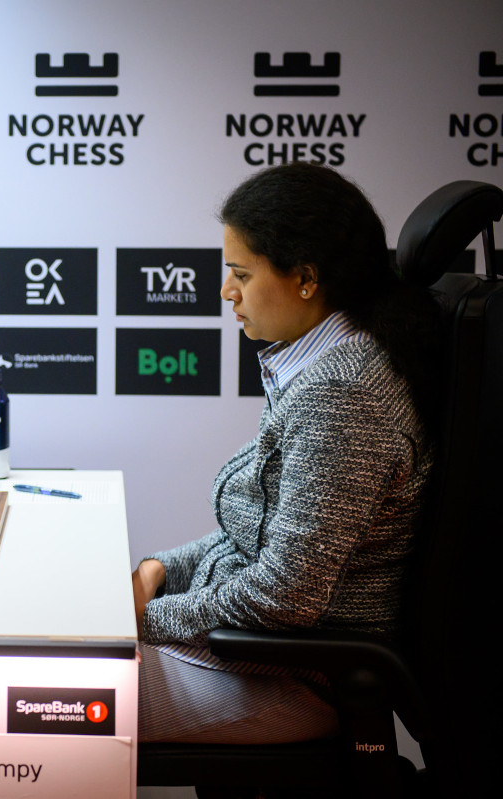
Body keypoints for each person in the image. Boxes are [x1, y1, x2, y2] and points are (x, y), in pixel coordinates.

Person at [132, 162, 436, 743]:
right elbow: (258, 537)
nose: (227, 291)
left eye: (241, 274)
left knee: (47, 691)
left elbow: (284, 595)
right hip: (256, 656)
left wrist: (147, 618)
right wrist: (161, 570)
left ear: (306, 278)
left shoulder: (342, 393)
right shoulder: (322, 365)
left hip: (291, 677)